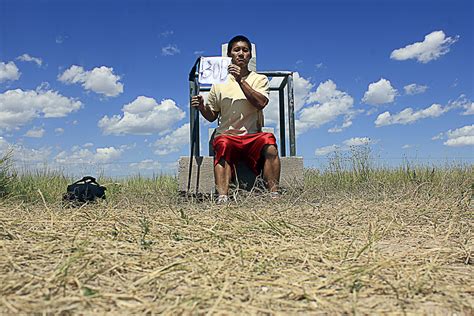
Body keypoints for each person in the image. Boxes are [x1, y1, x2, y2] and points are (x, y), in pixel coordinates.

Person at [191, 35, 281, 203]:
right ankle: (223, 197)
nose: (241, 54)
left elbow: (261, 103)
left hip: (252, 136)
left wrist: (241, 81)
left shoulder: (259, 79)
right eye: (236, 50)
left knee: (270, 143)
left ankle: (274, 194)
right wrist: (202, 107)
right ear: (229, 55)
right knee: (222, 144)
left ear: (250, 55)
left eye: (245, 50)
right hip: (227, 135)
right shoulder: (218, 84)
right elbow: (212, 116)